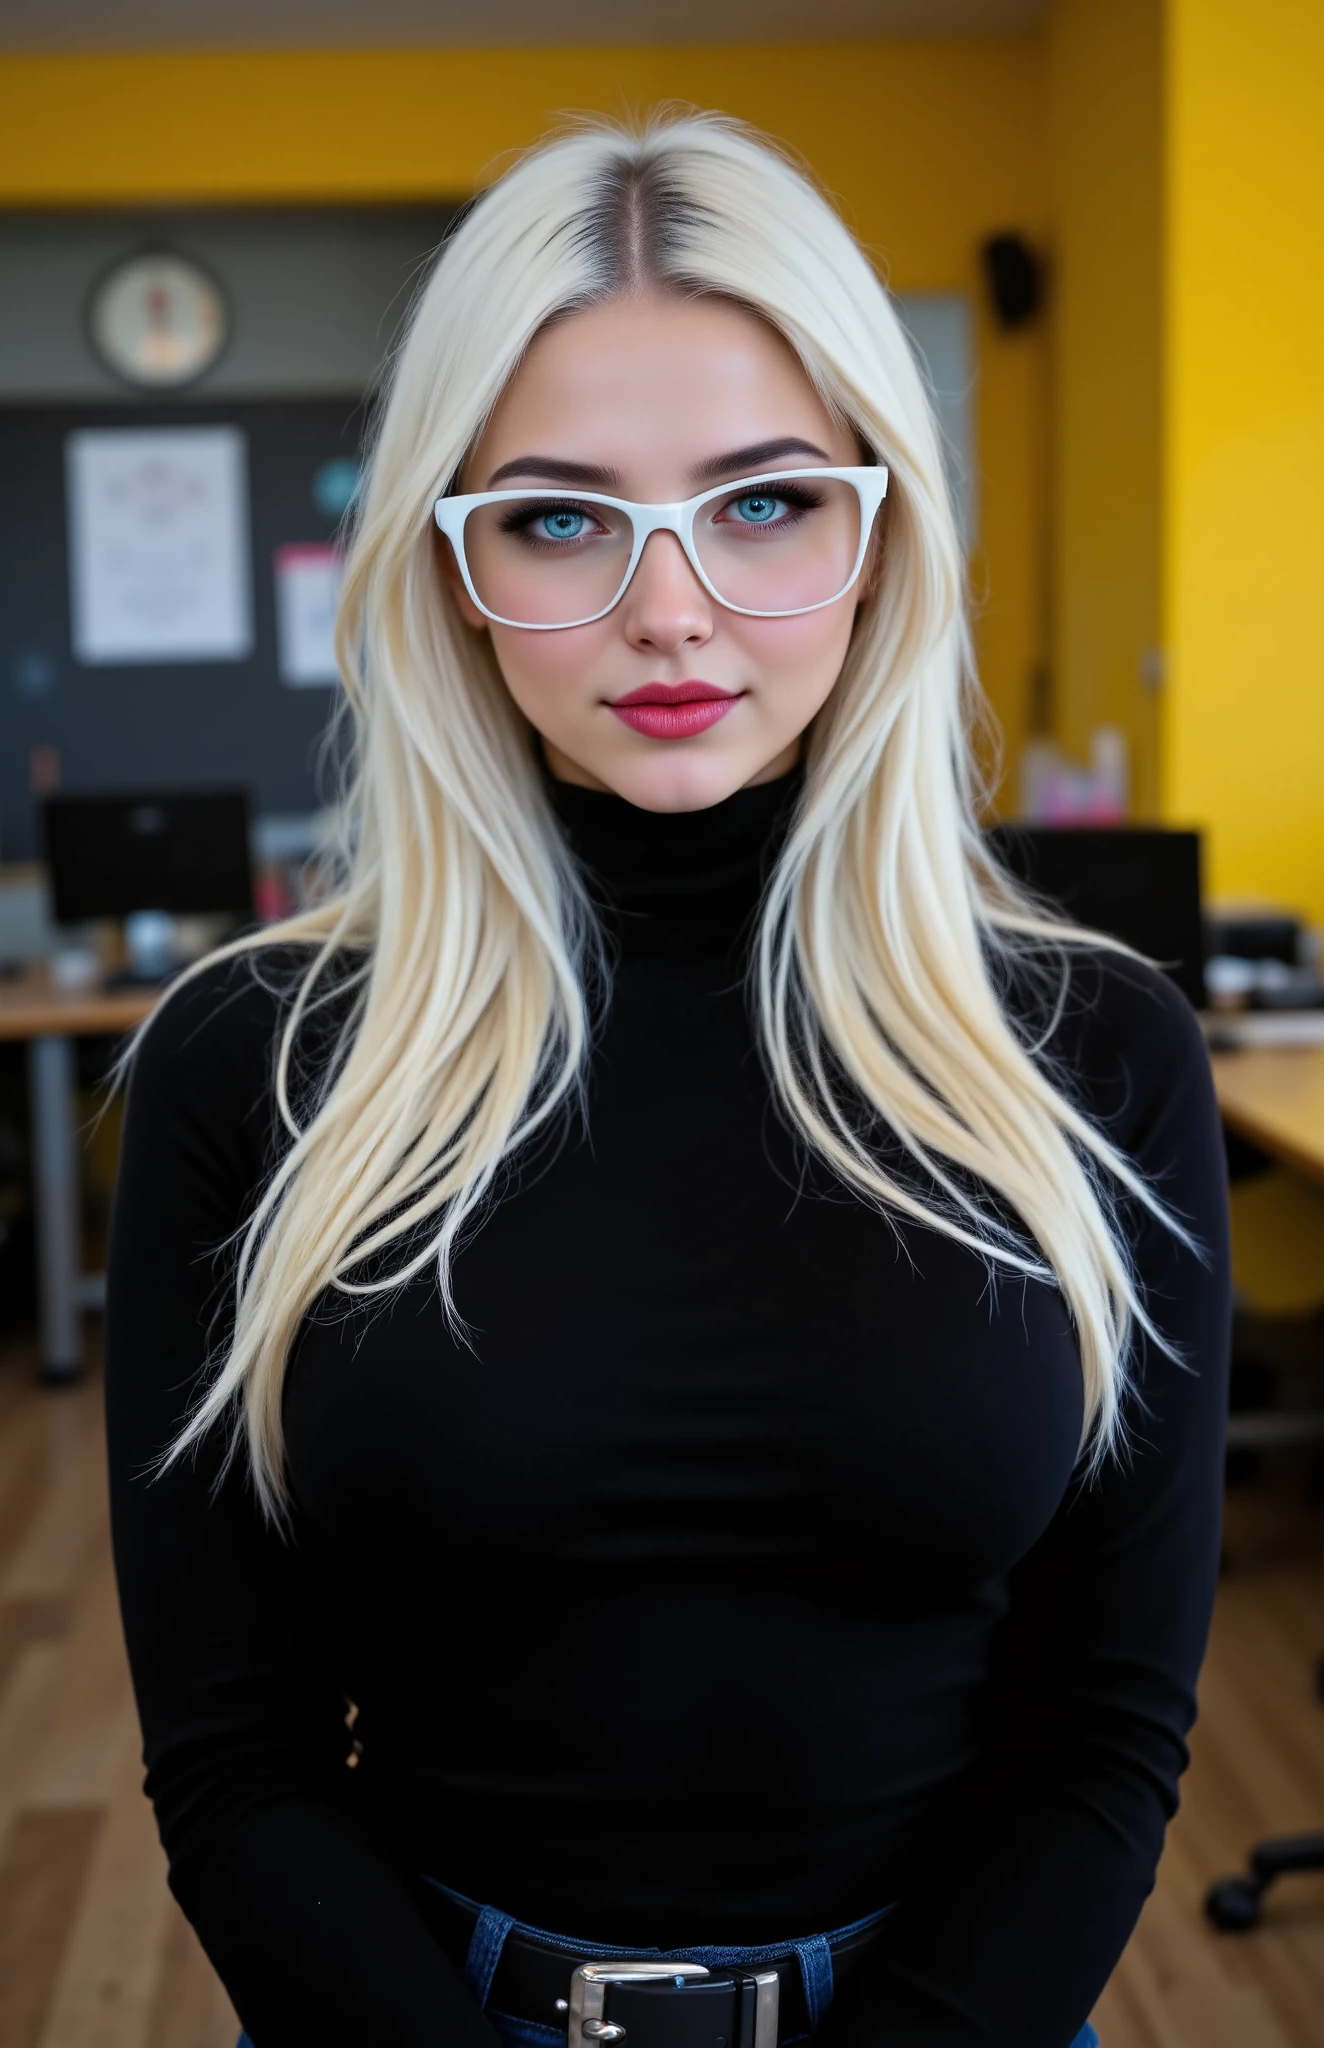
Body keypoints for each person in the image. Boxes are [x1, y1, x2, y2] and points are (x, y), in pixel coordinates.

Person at [106, 111, 1230, 2048]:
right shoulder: (255, 1064)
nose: (672, 607)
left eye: (764, 500)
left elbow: (1104, 1728)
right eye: (558, 515)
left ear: (881, 533)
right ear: (448, 563)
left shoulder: (1099, 1049)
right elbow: (235, 1756)